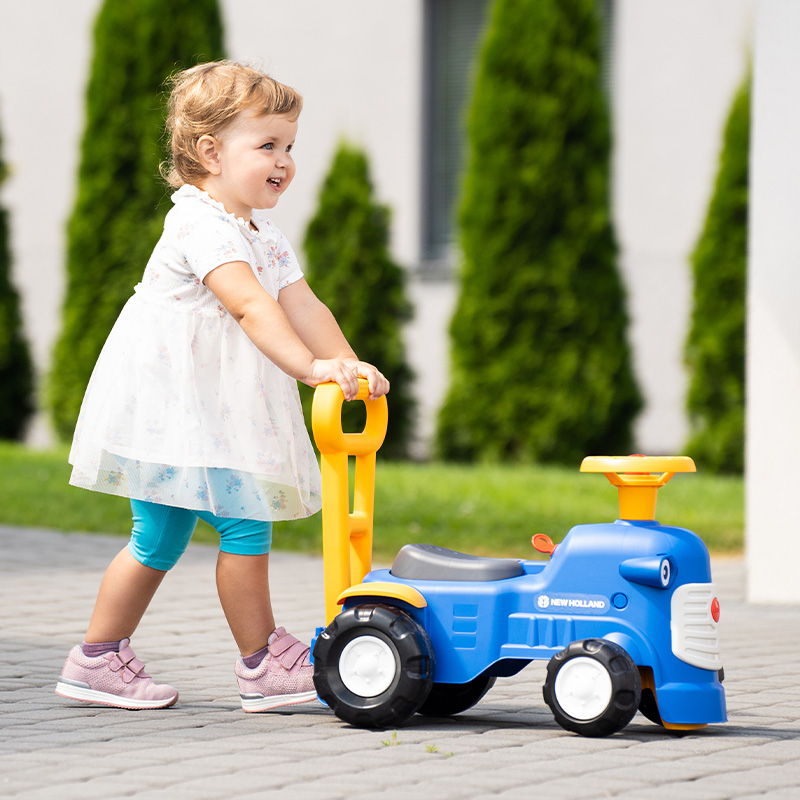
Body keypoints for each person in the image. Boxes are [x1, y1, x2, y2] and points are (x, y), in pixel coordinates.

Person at [55, 61, 389, 712]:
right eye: (267, 145)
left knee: (163, 538)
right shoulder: (199, 223)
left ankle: (97, 658)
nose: (284, 161)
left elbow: (303, 306)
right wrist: (309, 369)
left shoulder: (263, 232)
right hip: (174, 409)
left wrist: (347, 362)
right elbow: (250, 307)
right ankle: (261, 662)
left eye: (289, 146)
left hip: (203, 412)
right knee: (239, 523)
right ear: (211, 151)